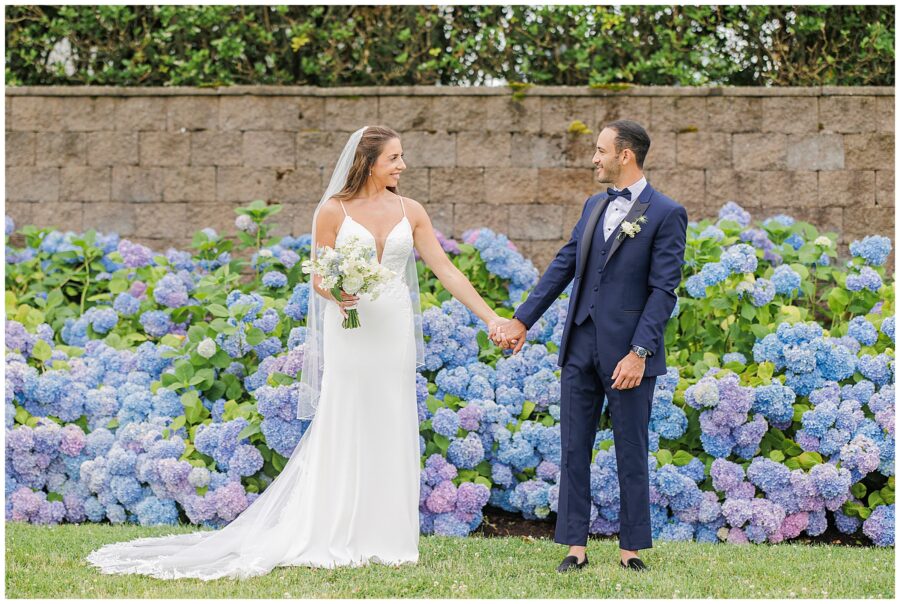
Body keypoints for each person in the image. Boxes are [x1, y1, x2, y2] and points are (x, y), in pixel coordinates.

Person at [86, 125, 508, 581]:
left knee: (392, 416)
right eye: (394, 158)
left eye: (401, 157)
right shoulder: (332, 211)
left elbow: (446, 270)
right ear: (367, 163)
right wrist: (341, 293)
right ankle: (332, 527)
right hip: (351, 327)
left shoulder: (412, 211)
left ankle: (388, 537)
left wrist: (491, 318)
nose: (402, 166)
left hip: (393, 329)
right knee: (345, 416)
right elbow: (319, 279)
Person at [492, 120, 687, 573]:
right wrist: (522, 320)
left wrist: (640, 353)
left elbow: (664, 291)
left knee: (630, 448)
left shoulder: (666, 213)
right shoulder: (594, 205)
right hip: (579, 344)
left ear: (626, 156)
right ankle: (574, 546)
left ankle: (631, 549)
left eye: (600, 150)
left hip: (628, 356)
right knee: (574, 447)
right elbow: (565, 264)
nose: (593, 158)